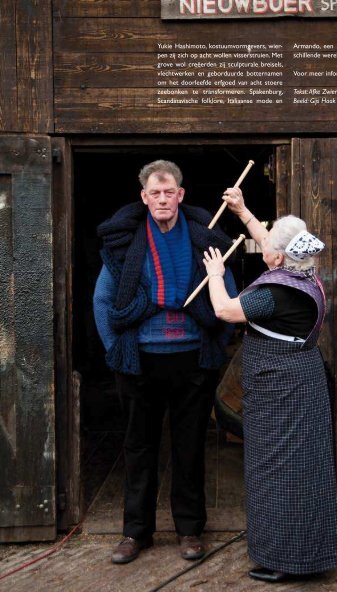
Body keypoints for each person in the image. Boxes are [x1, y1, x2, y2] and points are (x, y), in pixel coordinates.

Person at [93, 160, 237, 565]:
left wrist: (217, 340)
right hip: (139, 363)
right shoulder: (126, 241)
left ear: (180, 195)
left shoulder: (203, 238)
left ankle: (190, 530)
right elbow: (103, 301)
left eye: (168, 191)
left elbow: (227, 290)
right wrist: (115, 352)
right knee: (139, 448)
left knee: (189, 448)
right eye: (154, 193)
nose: (162, 199)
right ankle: (134, 533)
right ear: (144, 197)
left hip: (193, 361)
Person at [203, 187, 337, 583]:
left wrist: (216, 275)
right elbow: (272, 243)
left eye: (270, 248)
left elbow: (224, 310)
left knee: (280, 470)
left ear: (279, 259)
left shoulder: (274, 293)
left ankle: (286, 561)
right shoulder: (304, 271)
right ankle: (301, 554)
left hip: (282, 388)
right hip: (299, 381)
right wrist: (243, 211)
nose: (264, 248)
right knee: (300, 469)